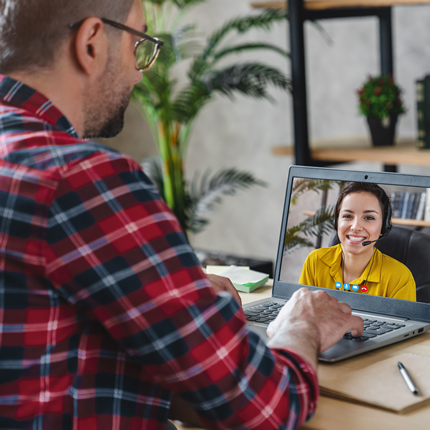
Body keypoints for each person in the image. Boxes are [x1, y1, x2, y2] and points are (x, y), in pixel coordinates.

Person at [0, 1, 364, 429]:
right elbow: (266, 409)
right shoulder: (82, 179)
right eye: (138, 44)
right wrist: (302, 324)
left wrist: (167, 295)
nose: (140, 72)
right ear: (92, 42)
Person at [300, 182, 416, 301]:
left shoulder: (400, 278)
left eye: (369, 217)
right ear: (337, 221)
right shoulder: (315, 262)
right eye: (347, 216)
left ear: (383, 227)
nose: (355, 227)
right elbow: (301, 314)